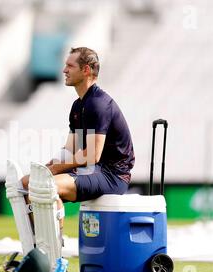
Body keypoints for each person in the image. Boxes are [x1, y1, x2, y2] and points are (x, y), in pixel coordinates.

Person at [21, 47, 135, 228]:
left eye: (70, 66)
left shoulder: (98, 104)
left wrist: (56, 169)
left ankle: (55, 249)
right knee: (26, 183)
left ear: (86, 70)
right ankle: (38, 245)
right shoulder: (78, 105)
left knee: (45, 186)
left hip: (113, 175)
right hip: (93, 170)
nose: (64, 70)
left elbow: (92, 156)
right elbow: (69, 150)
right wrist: (48, 166)